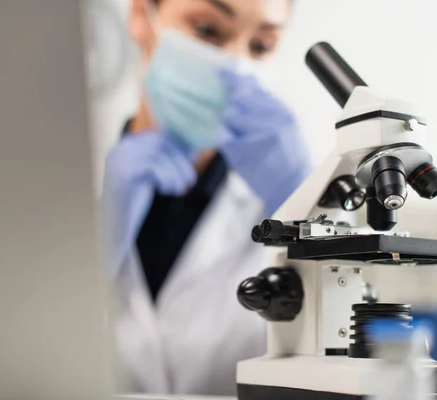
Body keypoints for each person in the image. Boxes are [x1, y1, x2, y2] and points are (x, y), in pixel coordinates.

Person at [103, 0, 312, 395]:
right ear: (139, 16)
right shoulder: (51, 183)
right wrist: (90, 239)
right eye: (207, 30)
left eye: (261, 46)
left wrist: (308, 210)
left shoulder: (288, 201)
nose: (234, 63)